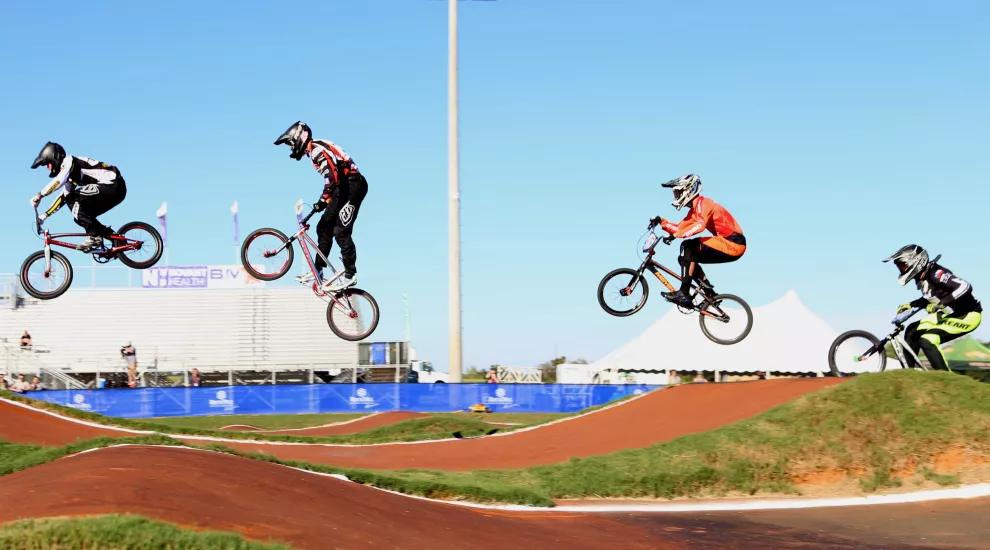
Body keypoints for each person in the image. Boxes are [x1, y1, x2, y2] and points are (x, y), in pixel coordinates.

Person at [274, 121, 368, 292]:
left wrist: (324, 198)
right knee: (323, 227)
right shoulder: (315, 150)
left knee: (340, 231)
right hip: (342, 188)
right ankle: (318, 269)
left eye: (290, 144)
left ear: (298, 138)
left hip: (354, 186)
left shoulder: (317, 150)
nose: (290, 148)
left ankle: (350, 274)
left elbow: (332, 176)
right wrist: (324, 200)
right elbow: (334, 179)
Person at [650, 174, 746, 307]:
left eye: (678, 193)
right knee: (685, 258)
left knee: (688, 246)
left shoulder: (703, 203)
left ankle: (684, 293)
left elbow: (699, 225)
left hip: (733, 243)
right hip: (727, 242)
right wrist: (661, 221)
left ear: (687, 190)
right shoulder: (695, 210)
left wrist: (678, 234)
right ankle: (710, 295)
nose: (676, 197)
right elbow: (680, 227)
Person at [885, 245, 983, 372]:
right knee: (911, 331)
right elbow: (931, 299)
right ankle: (908, 375)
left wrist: (941, 303)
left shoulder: (936, 274)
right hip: (949, 314)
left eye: (903, 266)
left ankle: (948, 380)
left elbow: (964, 286)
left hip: (968, 315)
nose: (901, 270)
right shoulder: (923, 277)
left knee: (927, 340)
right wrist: (911, 305)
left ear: (915, 261)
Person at [30, 142, 127, 252]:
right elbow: (63, 197)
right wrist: (44, 215)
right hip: (112, 191)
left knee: (74, 202)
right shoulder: (70, 176)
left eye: (47, 164)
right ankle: (116, 239)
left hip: (113, 185)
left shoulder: (69, 163)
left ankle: (94, 237)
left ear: (53, 158)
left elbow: (58, 181)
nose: (48, 168)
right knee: (81, 216)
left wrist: (40, 195)